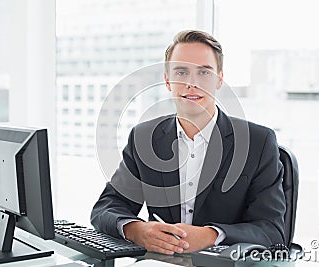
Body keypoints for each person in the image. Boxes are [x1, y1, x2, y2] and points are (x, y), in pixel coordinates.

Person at [91, 30, 286, 255]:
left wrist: (210, 236)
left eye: (204, 72)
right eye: (181, 72)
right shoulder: (144, 138)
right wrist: (138, 231)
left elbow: (271, 230)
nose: (192, 83)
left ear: (219, 79)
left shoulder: (258, 143)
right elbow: (106, 208)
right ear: (167, 81)